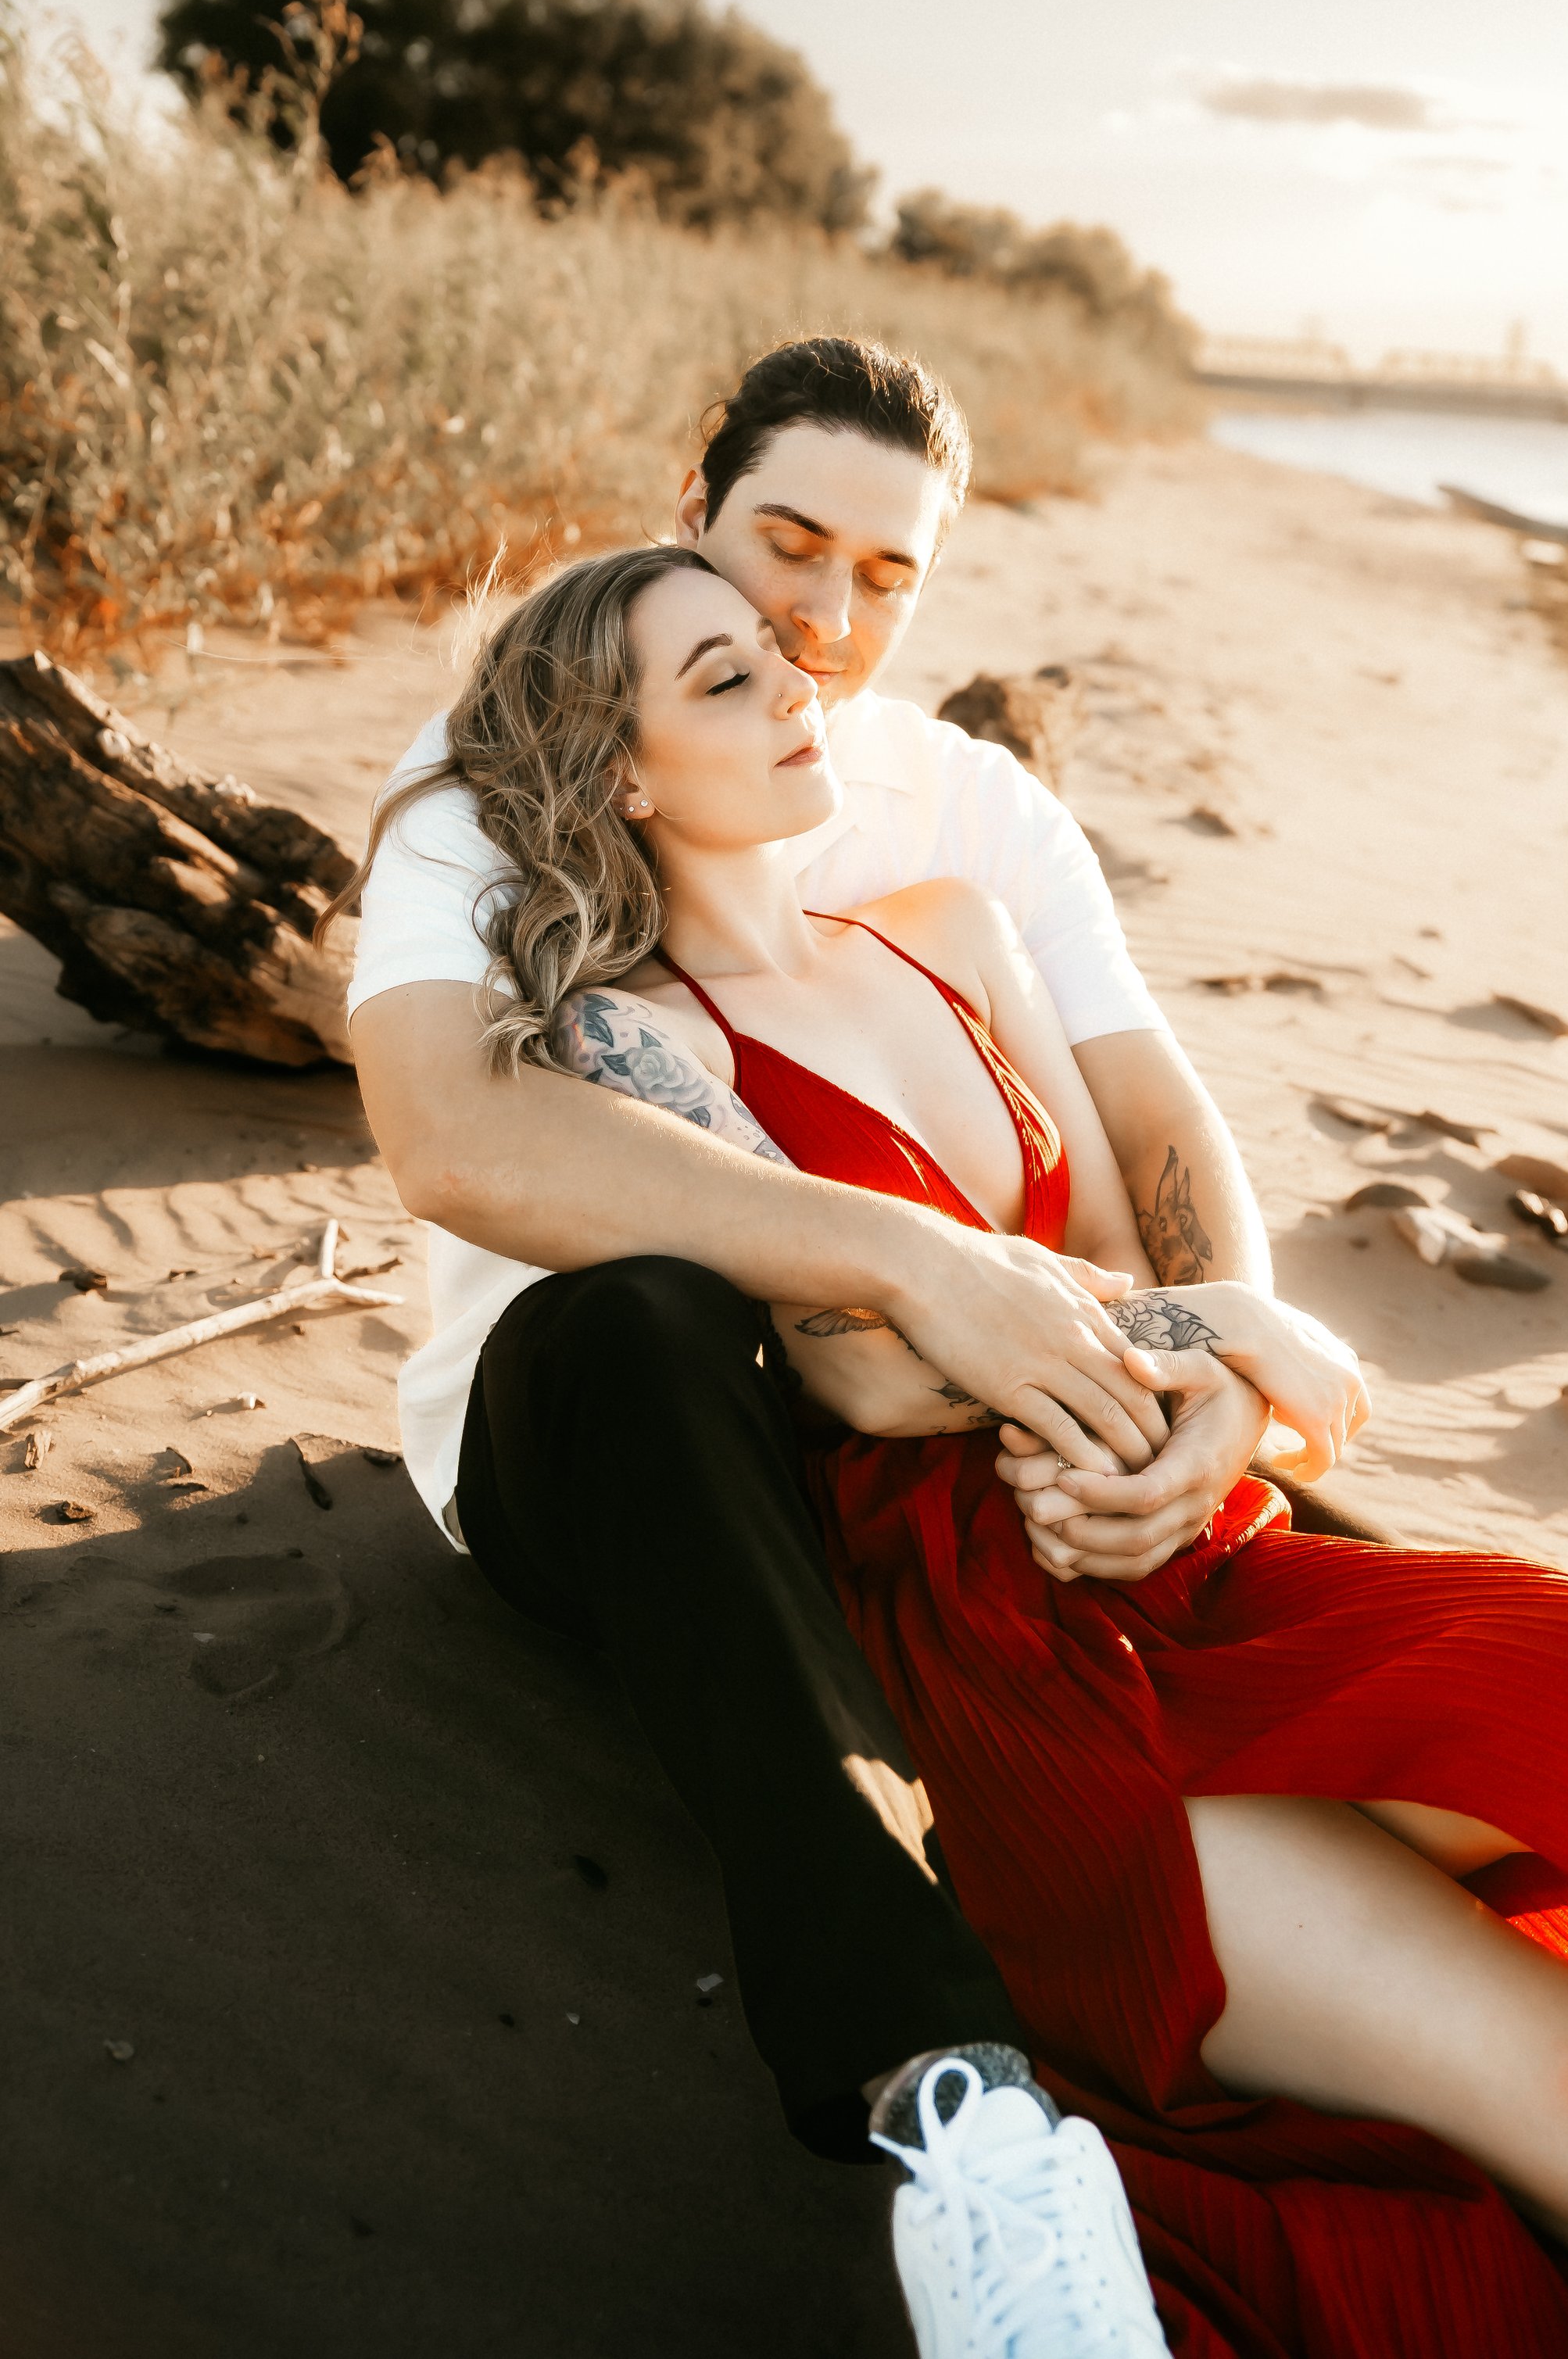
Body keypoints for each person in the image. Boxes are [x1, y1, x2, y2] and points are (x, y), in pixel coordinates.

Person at [366, 533, 1568, 2359]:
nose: (795, 685)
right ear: (621, 770)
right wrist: (1226, 1330)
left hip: (1204, 1566)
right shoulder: (626, 1042)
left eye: (781, 658)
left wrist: (1209, 1389)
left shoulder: (953, 931)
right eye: (720, 678)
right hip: (996, 1649)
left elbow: (1118, 1258)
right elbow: (861, 1371)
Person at [342, 337, 1376, 2354]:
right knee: (644, 1317)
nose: (824, 622)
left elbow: (1156, 1125)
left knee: (1460, 1670)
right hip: (622, 1445)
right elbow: (448, 1130)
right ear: (692, 510)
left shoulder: (963, 805)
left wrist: (1219, 1386)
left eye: (883, 577)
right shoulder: (510, 762)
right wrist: (912, 1258)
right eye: (784, 548)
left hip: (956, 1432)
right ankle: (953, 2112)